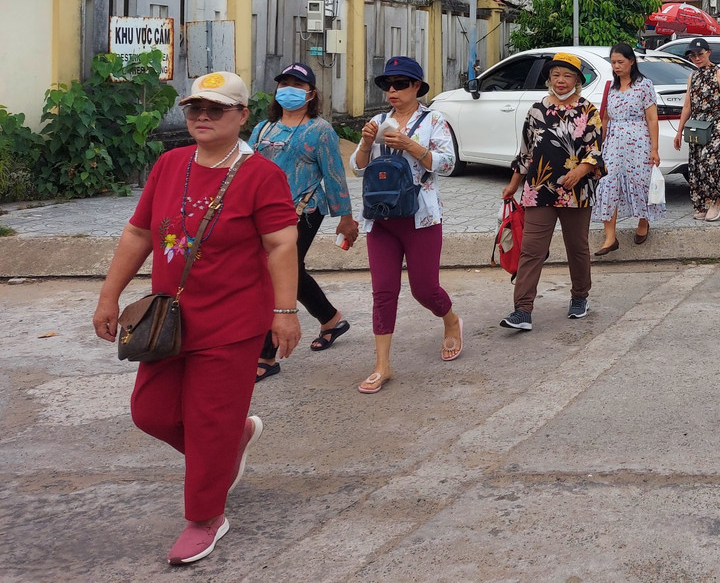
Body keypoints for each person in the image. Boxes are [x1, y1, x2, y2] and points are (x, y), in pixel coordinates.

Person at [92, 71, 300, 567]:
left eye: (217, 109)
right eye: (195, 108)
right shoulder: (170, 164)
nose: (202, 117)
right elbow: (139, 233)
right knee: (151, 412)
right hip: (168, 318)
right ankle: (231, 442)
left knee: (209, 423)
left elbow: (281, 245)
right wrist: (108, 296)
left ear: (242, 115)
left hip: (233, 321)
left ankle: (206, 517)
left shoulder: (261, 175)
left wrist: (286, 312)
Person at [351, 56, 460, 393]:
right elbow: (357, 167)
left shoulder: (434, 120)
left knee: (424, 288)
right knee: (383, 292)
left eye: (400, 84)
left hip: (420, 216)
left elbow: (448, 164)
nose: (392, 91)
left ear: (416, 87)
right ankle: (382, 365)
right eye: (387, 85)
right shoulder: (378, 121)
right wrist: (367, 143)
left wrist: (410, 145)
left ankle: (451, 320)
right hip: (380, 216)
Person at [249, 62, 359, 382]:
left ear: (311, 93)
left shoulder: (320, 130)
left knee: (276, 273)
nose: (290, 90)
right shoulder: (263, 129)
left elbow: (334, 175)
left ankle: (266, 356)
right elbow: (247, 169)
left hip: (304, 210)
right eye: (285, 84)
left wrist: (346, 218)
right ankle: (331, 319)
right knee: (291, 273)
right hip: (264, 212)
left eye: (298, 85)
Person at [500, 52, 604, 331]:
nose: (560, 80)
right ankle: (522, 310)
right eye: (556, 74)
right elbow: (526, 152)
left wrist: (579, 172)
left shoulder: (588, 111)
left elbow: (595, 151)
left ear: (577, 80)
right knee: (531, 249)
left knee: (577, 247)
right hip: (538, 189)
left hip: (577, 192)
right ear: (549, 78)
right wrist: (513, 185)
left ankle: (580, 296)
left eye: (567, 75)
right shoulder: (536, 110)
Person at [594, 44, 663, 255]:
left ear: (631, 61)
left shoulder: (644, 85)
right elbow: (605, 118)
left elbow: (652, 119)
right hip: (613, 142)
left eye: (620, 62)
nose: (616, 66)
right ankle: (610, 238)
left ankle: (643, 221)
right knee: (607, 183)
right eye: (613, 62)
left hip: (639, 141)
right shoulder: (611, 87)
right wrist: (598, 148)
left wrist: (654, 149)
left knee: (640, 182)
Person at [674, 37, 720, 222]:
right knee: (695, 165)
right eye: (693, 55)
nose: (697, 58)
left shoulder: (719, 74)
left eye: (700, 54)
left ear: (708, 52)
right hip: (697, 125)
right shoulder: (693, 76)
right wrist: (679, 130)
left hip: (717, 123)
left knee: (710, 161)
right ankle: (702, 202)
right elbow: (687, 105)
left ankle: (716, 201)